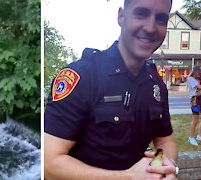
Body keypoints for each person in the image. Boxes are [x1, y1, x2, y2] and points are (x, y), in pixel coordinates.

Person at [44, 0, 178, 179]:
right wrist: (128, 177)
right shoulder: (82, 76)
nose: (151, 27)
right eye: (141, 13)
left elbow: (165, 140)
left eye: (161, 19)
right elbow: (48, 164)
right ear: (121, 16)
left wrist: (168, 166)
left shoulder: (156, 85)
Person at [186, 66, 201, 146]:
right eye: (198, 72)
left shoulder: (198, 79)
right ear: (194, 72)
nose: (199, 74)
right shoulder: (190, 79)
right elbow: (198, 87)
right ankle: (191, 138)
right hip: (194, 101)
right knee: (196, 119)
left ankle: (199, 136)